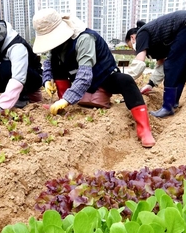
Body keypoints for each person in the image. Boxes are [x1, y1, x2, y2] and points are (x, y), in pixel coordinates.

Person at [32, 8, 155, 148]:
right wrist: (47, 79)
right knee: (56, 65)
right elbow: (49, 61)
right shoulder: (57, 45)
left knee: (126, 80)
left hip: (103, 76)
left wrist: (67, 99)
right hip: (78, 79)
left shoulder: (84, 38)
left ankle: (144, 129)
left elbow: (85, 76)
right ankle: (61, 105)